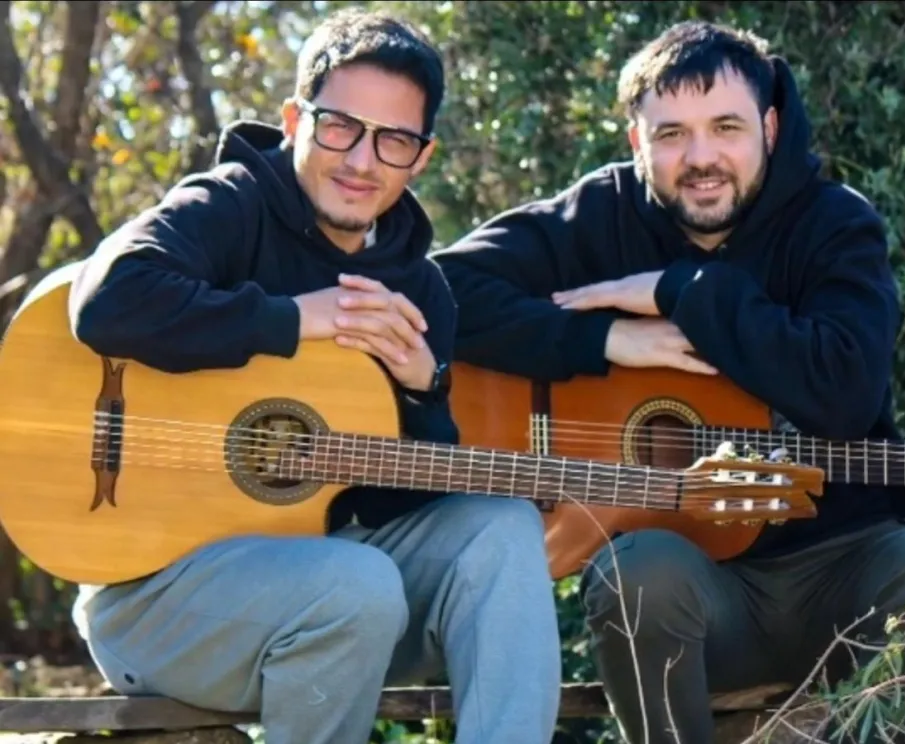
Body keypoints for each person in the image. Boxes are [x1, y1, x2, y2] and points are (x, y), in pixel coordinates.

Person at [433, 20, 905, 744]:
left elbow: (844, 394)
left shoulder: (834, 226)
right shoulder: (599, 217)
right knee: (636, 575)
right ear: (637, 142)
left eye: (725, 127)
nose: (701, 159)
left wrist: (684, 290)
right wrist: (603, 338)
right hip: (696, 594)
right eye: (670, 135)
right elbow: (442, 290)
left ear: (769, 124)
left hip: (846, 573)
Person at [67, 9, 561, 744]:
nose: (361, 160)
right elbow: (108, 302)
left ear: (420, 158)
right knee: (353, 584)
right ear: (296, 118)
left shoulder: (418, 294)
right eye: (339, 126)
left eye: (392, 139)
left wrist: (424, 391)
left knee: (502, 528)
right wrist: (297, 319)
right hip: (156, 598)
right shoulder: (229, 207)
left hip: (335, 598)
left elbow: (391, 504)